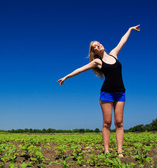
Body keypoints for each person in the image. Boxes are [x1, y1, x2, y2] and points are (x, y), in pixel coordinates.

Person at [57, 25, 140, 157]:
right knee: (107, 123)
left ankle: (120, 151)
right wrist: (66, 76)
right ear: (94, 52)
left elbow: (122, 41)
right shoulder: (97, 62)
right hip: (106, 93)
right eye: (95, 46)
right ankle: (107, 151)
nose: (98, 46)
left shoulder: (114, 54)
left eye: (99, 44)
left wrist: (130, 29)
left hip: (120, 92)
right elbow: (80, 69)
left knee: (119, 122)